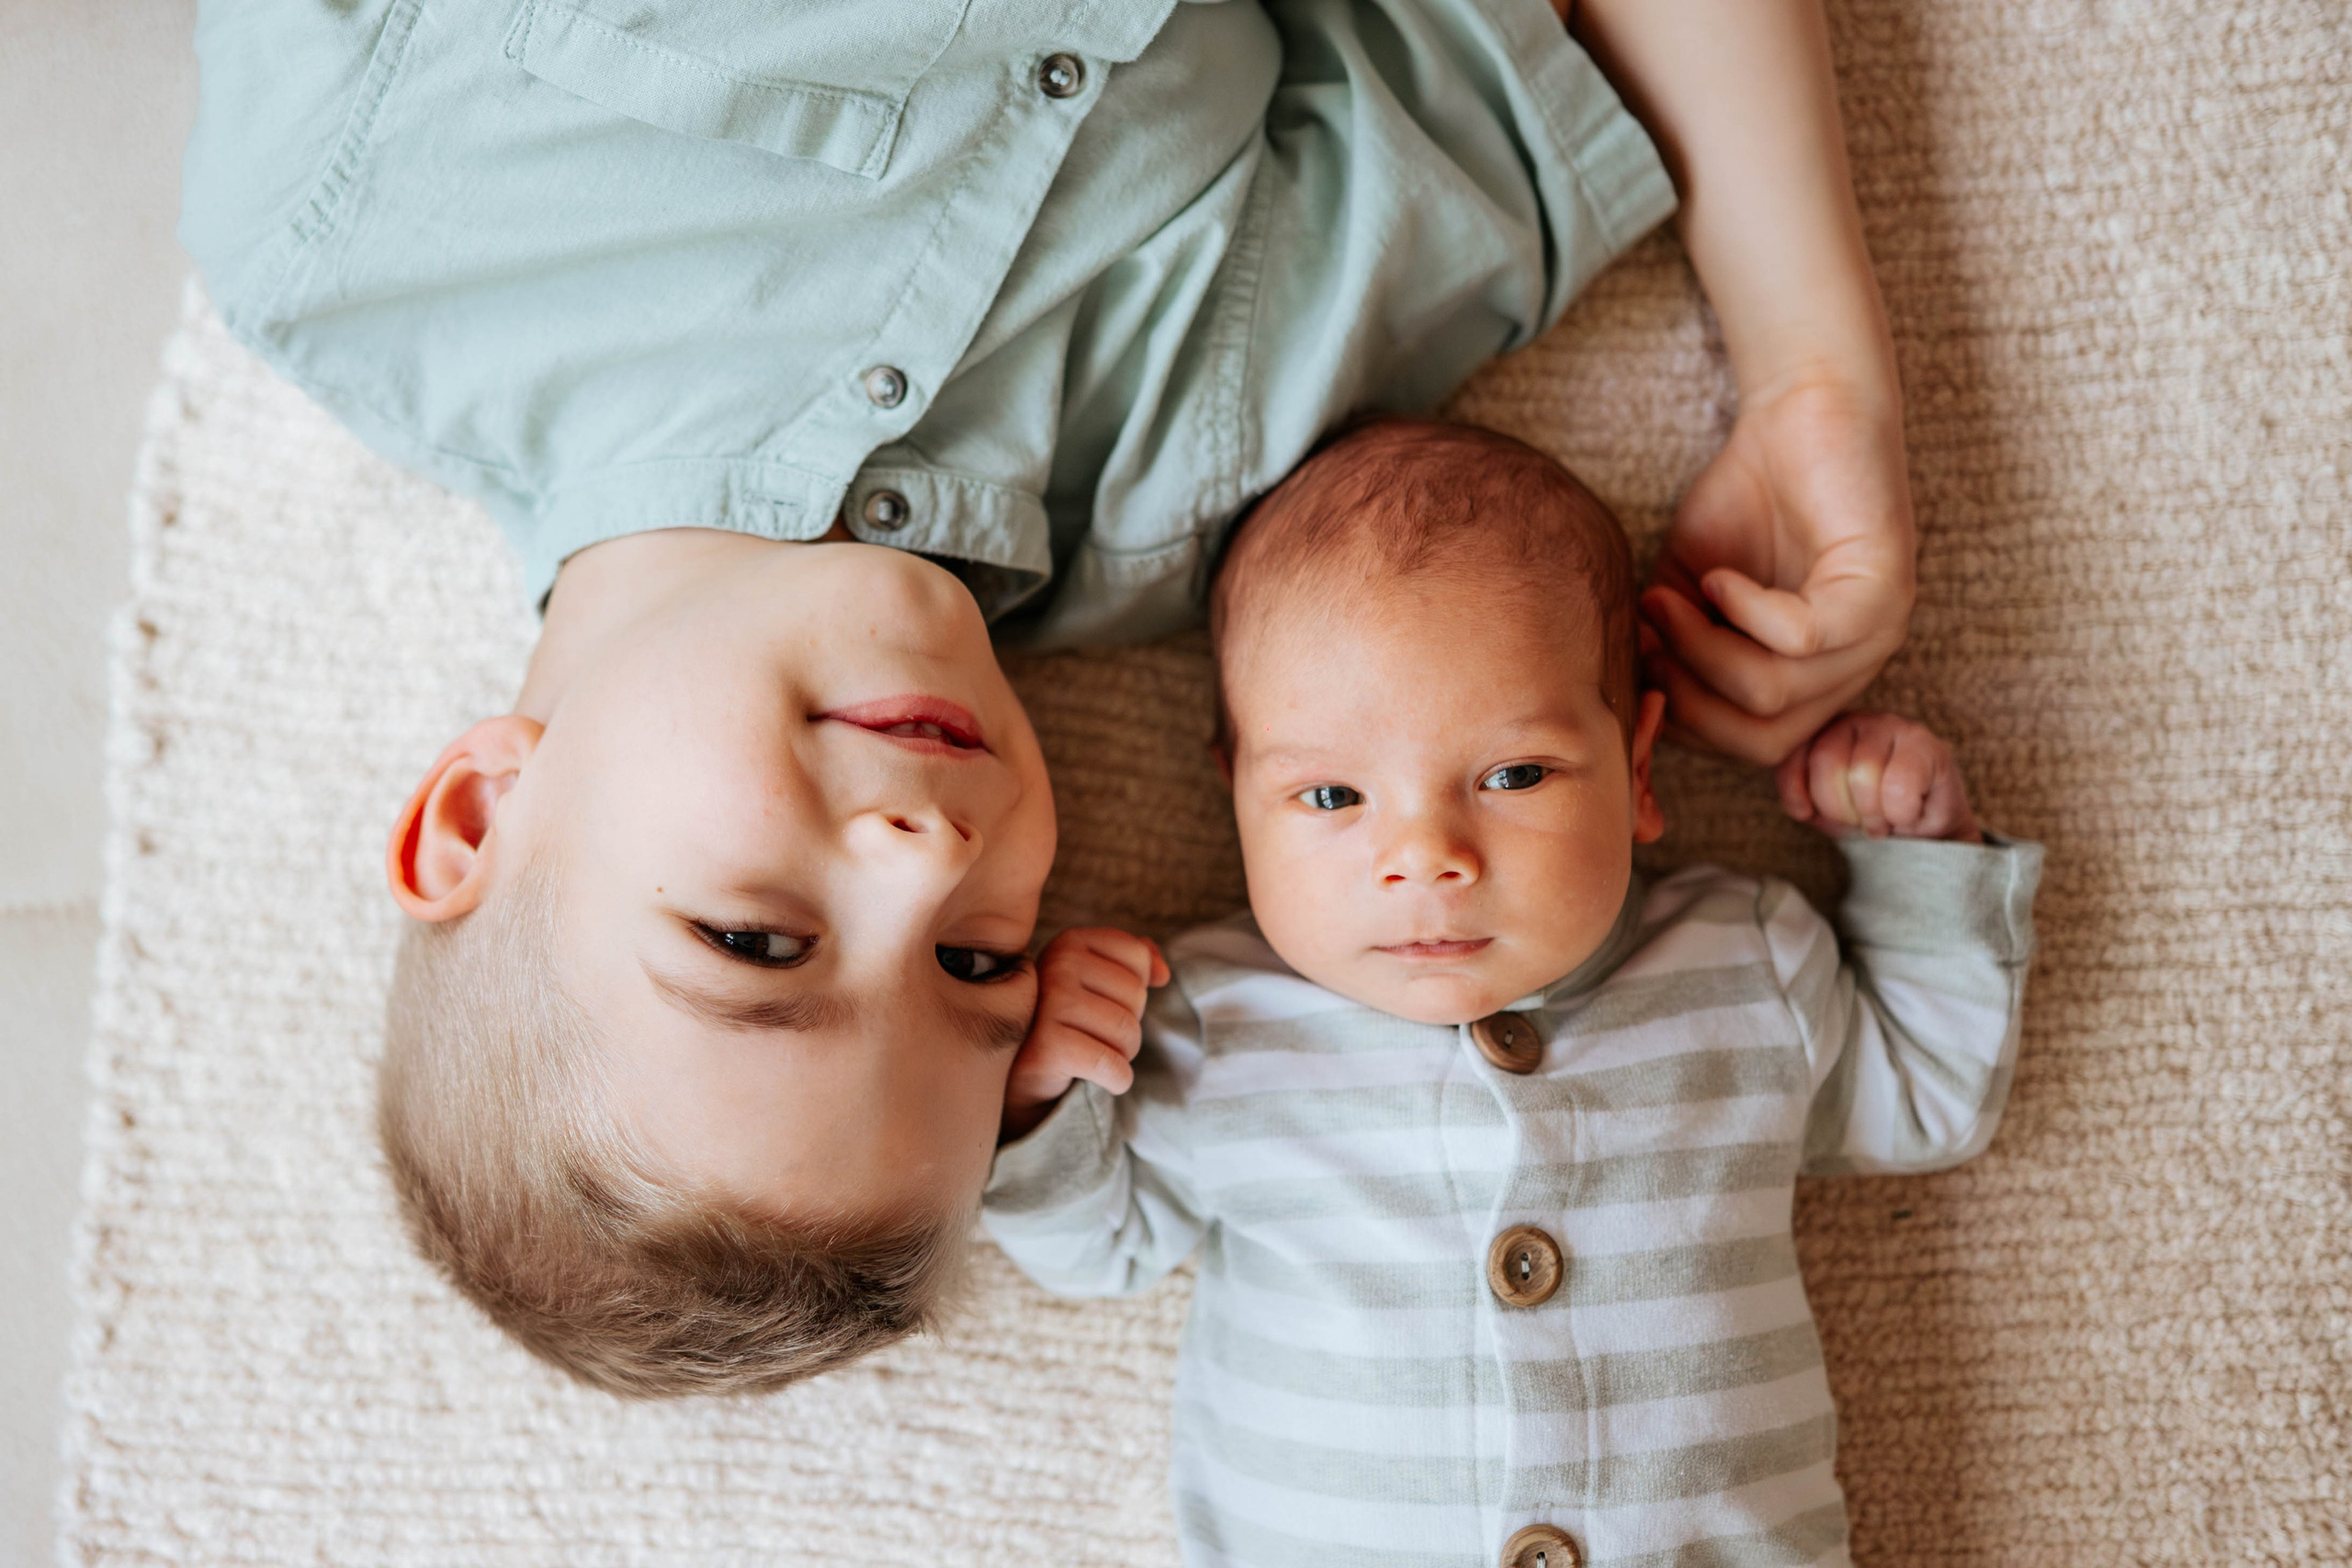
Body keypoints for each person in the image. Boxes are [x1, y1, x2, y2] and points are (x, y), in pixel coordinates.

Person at [182, 0, 1918, 1392]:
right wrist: (1812, 372)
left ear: (479, 811)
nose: (928, 853)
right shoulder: (1224, 499)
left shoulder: (344, 231)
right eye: (972, 965)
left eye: (758, 942)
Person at [985, 418, 2041, 1565]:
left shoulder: (1745, 958)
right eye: (1333, 797)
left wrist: (1921, 868)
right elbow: (1098, 1247)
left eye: (1512, 775)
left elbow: (1927, 1096)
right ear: (1234, 797)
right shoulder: (1206, 1019)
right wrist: (1045, 1095)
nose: (1426, 854)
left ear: (1636, 771)